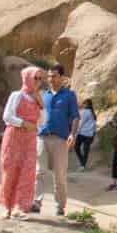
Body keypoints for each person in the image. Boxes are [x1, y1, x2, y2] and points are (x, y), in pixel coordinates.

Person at [0, 65, 42, 219]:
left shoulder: (37, 99)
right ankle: (7, 207)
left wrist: (41, 104)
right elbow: (7, 116)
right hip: (14, 138)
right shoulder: (17, 95)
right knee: (10, 170)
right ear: (27, 78)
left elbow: (43, 121)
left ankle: (19, 207)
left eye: (39, 79)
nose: (37, 81)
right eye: (35, 78)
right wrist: (23, 123)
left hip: (30, 140)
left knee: (27, 171)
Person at [36, 64, 80, 217]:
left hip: (61, 140)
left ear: (62, 77)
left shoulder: (69, 96)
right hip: (42, 137)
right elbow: (37, 115)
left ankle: (59, 206)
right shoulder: (43, 95)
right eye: (49, 76)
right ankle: (36, 201)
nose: (50, 79)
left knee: (59, 175)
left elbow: (75, 116)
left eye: (54, 76)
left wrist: (72, 134)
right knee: (38, 172)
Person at [75, 98, 97, 169]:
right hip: (89, 134)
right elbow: (94, 125)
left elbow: (81, 123)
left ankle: (82, 163)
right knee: (86, 150)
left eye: (84, 103)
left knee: (77, 147)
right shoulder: (92, 113)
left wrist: (76, 132)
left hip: (82, 133)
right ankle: (83, 164)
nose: (82, 104)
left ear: (86, 104)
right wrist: (93, 134)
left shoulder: (84, 112)